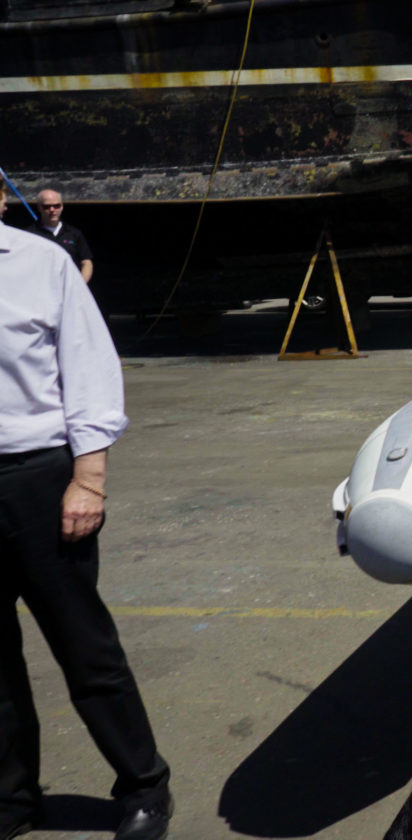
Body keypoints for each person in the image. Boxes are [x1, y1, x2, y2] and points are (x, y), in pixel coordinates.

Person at [0, 185, 173, 840]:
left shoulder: (41, 263)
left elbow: (90, 367)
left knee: (83, 648)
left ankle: (143, 784)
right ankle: (13, 800)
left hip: (38, 479)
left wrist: (89, 479)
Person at [27, 190, 93, 284]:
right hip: (42, 289)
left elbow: (86, 262)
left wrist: (80, 285)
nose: (52, 210)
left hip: (69, 288)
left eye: (56, 206)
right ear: (39, 208)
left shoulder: (74, 233)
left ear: (62, 206)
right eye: (47, 206)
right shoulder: (29, 235)